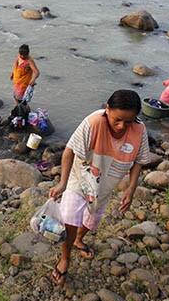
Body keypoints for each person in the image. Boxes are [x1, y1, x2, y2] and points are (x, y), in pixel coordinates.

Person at [48, 90, 151, 286]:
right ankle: (65, 257)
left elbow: (140, 160)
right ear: (107, 109)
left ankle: (78, 240)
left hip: (105, 184)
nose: (122, 126)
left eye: (128, 122)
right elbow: (69, 151)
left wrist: (131, 188)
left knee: (92, 219)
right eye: (117, 120)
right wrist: (62, 183)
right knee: (69, 219)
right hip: (81, 177)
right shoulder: (94, 122)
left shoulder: (139, 130)